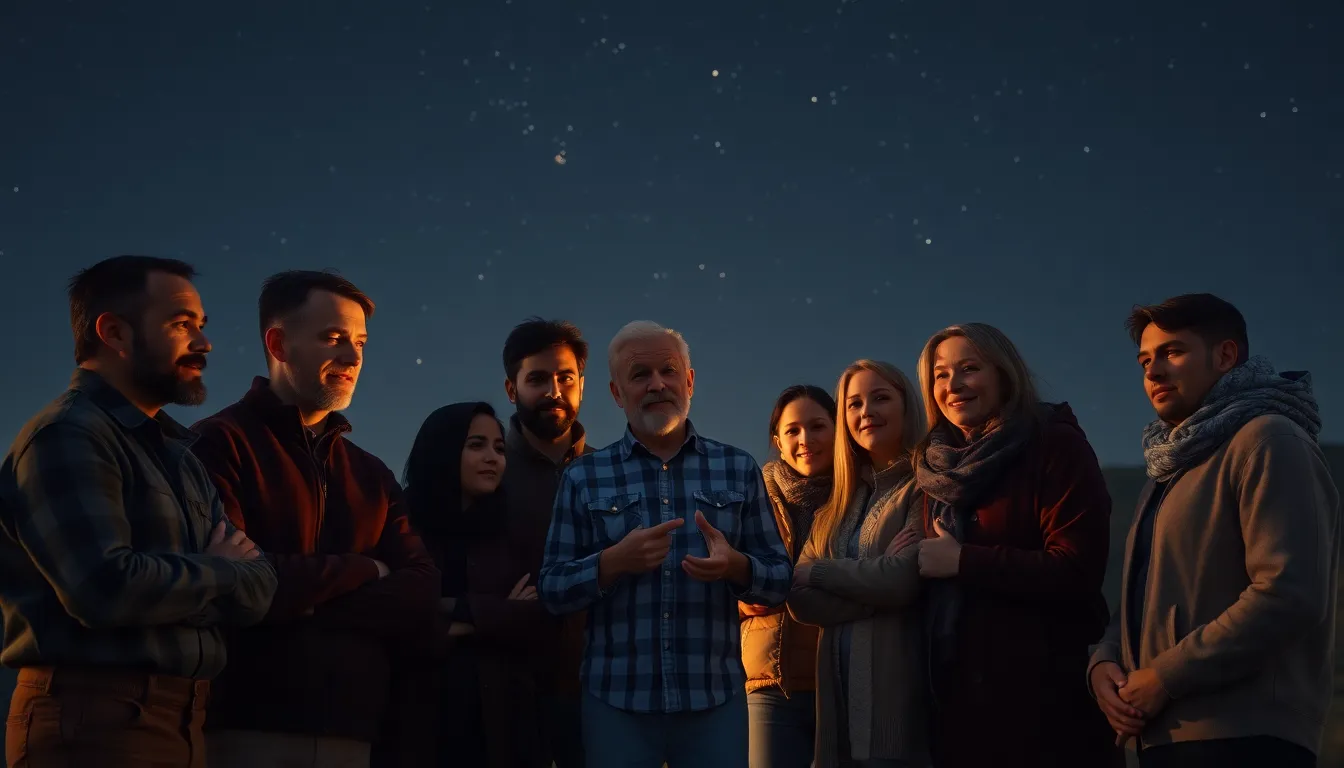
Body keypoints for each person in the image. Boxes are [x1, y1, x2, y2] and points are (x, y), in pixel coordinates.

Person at [0, 255, 277, 768]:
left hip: (183, 721)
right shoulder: (68, 435)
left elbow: (260, 587)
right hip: (94, 724)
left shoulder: (180, 453)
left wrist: (181, 586)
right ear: (115, 332)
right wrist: (219, 572)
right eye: (181, 325)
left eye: (201, 325)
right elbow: (105, 589)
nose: (205, 343)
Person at [189, 270, 440, 768]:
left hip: (355, 731)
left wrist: (294, 598)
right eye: (333, 339)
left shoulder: (370, 473)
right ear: (279, 343)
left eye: (360, 342)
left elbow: (421, 589)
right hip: (244, 728)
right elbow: (234, 587)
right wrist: (366, 569)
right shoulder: (217, 445)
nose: (353, 358)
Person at [1088, 294, 1339, 768]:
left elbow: (1290, 593)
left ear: (1225, 356)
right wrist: (1103, 662)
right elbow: (1146, 597)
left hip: (1246, 736)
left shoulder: (1268, 439)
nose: (1153, 372)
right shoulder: (1170, 470)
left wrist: (1164, 676)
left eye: (1173, 352)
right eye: (1145, 360)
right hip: (1163, 738)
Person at [538, 320, 793, 768]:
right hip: (616, 704)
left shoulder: (737, 468)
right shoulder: (582, 476)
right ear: (617, 393)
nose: (657, 385)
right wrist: (611, 563)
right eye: (640, 375)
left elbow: (779, 578)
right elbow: (552, 589)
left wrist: (737, 566)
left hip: (713, 702)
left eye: (668, 371)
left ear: (689, 381)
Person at [910, 323, 1118, 767]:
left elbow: (1078, 570)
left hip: (1044, 702)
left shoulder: (1053, 444)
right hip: (957, 703)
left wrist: (964, 561)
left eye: (970, 368)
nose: (954, 385)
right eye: (940, 375)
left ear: (1004, 373)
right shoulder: (935, 471)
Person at [788, 361, 929, 768]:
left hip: (896, 706)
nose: (865, 411)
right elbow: (798, 600)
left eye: (880, 398)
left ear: (907, 406)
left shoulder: (924, 487)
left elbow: (904, 581)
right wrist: (876, 585)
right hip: (835, 713)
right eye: (853, 404)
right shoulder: (837, 505)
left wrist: (820, 572)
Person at [403, 402, 549, 768]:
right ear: (443, 449)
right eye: (476, 445)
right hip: (419, 722)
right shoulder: (404, 527)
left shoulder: (515, 529)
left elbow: (539, 613)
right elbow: (397, 615)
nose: (493, 458)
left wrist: (453, 610)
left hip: (504, 725)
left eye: (499, 448)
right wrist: (491, 614)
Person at [499, 317, 593, 768]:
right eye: (537, 379)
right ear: (511, 389)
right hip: (507, 687)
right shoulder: (485, 470)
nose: (554, 390)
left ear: (581, 385)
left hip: (602, 691)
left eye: (565, 378)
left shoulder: (612, 472)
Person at [742, 385, 836, 768]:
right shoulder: (751, 500)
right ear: (777, 441)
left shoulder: (858, 496)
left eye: (817, 427)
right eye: (793, 430)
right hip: (769, 682)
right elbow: (719, 576)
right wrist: (738, 597)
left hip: (841, 680)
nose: (805, 440)